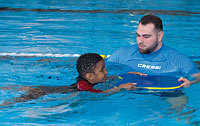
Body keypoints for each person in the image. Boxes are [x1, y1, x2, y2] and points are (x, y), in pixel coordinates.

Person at [0, 53, 137, 106]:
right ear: (90, 77)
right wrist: (120, 88)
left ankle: (6, 87)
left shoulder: (87, 80)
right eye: (102, 70)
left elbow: (104, 80)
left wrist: (122, 76)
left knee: (27, 88)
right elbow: (101, 94)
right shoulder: (84, 87)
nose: (106, 72)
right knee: (17, 101)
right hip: (48, 93)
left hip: (53, 89)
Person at [108, 15, 199, 88]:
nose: (140, 41)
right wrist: (124, 74)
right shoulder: (122, 54)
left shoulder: (179, 60)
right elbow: (103, 74)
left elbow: (197, 76)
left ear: (159, 36)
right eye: (138, 35)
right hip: (129, 91)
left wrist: (190, 82)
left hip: (166, 93)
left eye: (146, 36)